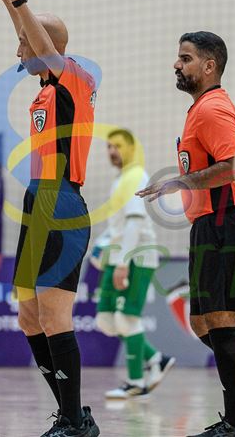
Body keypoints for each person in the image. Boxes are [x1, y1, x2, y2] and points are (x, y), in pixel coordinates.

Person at [136, 32, 235, 437]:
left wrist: (182, 182)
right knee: (202, 324)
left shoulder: (212, 109)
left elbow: (233, 166)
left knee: (222, 323)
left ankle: (234, 422)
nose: (176, 65)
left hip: (227, 219)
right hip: (208, 223)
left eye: (185, 58)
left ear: (209, 66)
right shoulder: (200, 109)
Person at [0, 0, 99, 437]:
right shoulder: (45, 89)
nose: (17, 52)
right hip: (38, 202)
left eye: (23, 43)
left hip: (61, 203)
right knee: (29, 318)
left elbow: (44, 47)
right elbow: (34, 43)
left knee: (53, 316)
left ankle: (73, 421)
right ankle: (73, 414)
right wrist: (7, 6)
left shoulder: (74, 78)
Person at [92, 128, 176, 400]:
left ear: (130, 148)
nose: (112, 151)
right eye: (108, 146)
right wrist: (101, 245)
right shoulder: (120, 180)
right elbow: (118, 225)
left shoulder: (136, 176)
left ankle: (135, 381)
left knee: (126, 318)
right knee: (106, 319)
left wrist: (123, 262)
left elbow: (135, 223)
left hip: (136, 257)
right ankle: (156, 359)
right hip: (118, 255)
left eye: (117, 146)